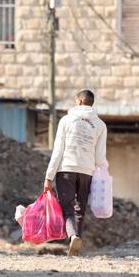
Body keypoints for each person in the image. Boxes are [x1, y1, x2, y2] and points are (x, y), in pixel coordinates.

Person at [44, 89, 108, 256]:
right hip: (87, 171)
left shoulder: (66, 120)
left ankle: (73, 236)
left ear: (79, 101)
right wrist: (103, 173)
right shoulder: (100, 125)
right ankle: (77, 239)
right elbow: (100, 157)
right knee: (80, 208)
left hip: (66, 169)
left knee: (67, 207)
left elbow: (58, 150)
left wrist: (49, 176)